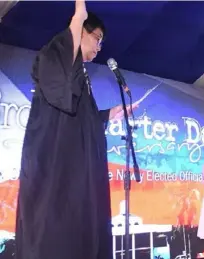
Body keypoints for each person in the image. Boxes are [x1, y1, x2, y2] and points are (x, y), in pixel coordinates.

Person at [15, 1, 137, 259]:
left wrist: (109, 115)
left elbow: (82, 119)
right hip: (56, 174)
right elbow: (60, 92)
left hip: (78, 176)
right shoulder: (57, 55)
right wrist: (78, 17)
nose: (99, 47)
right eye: (98, 38)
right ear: (82, 31)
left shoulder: (80, 74)